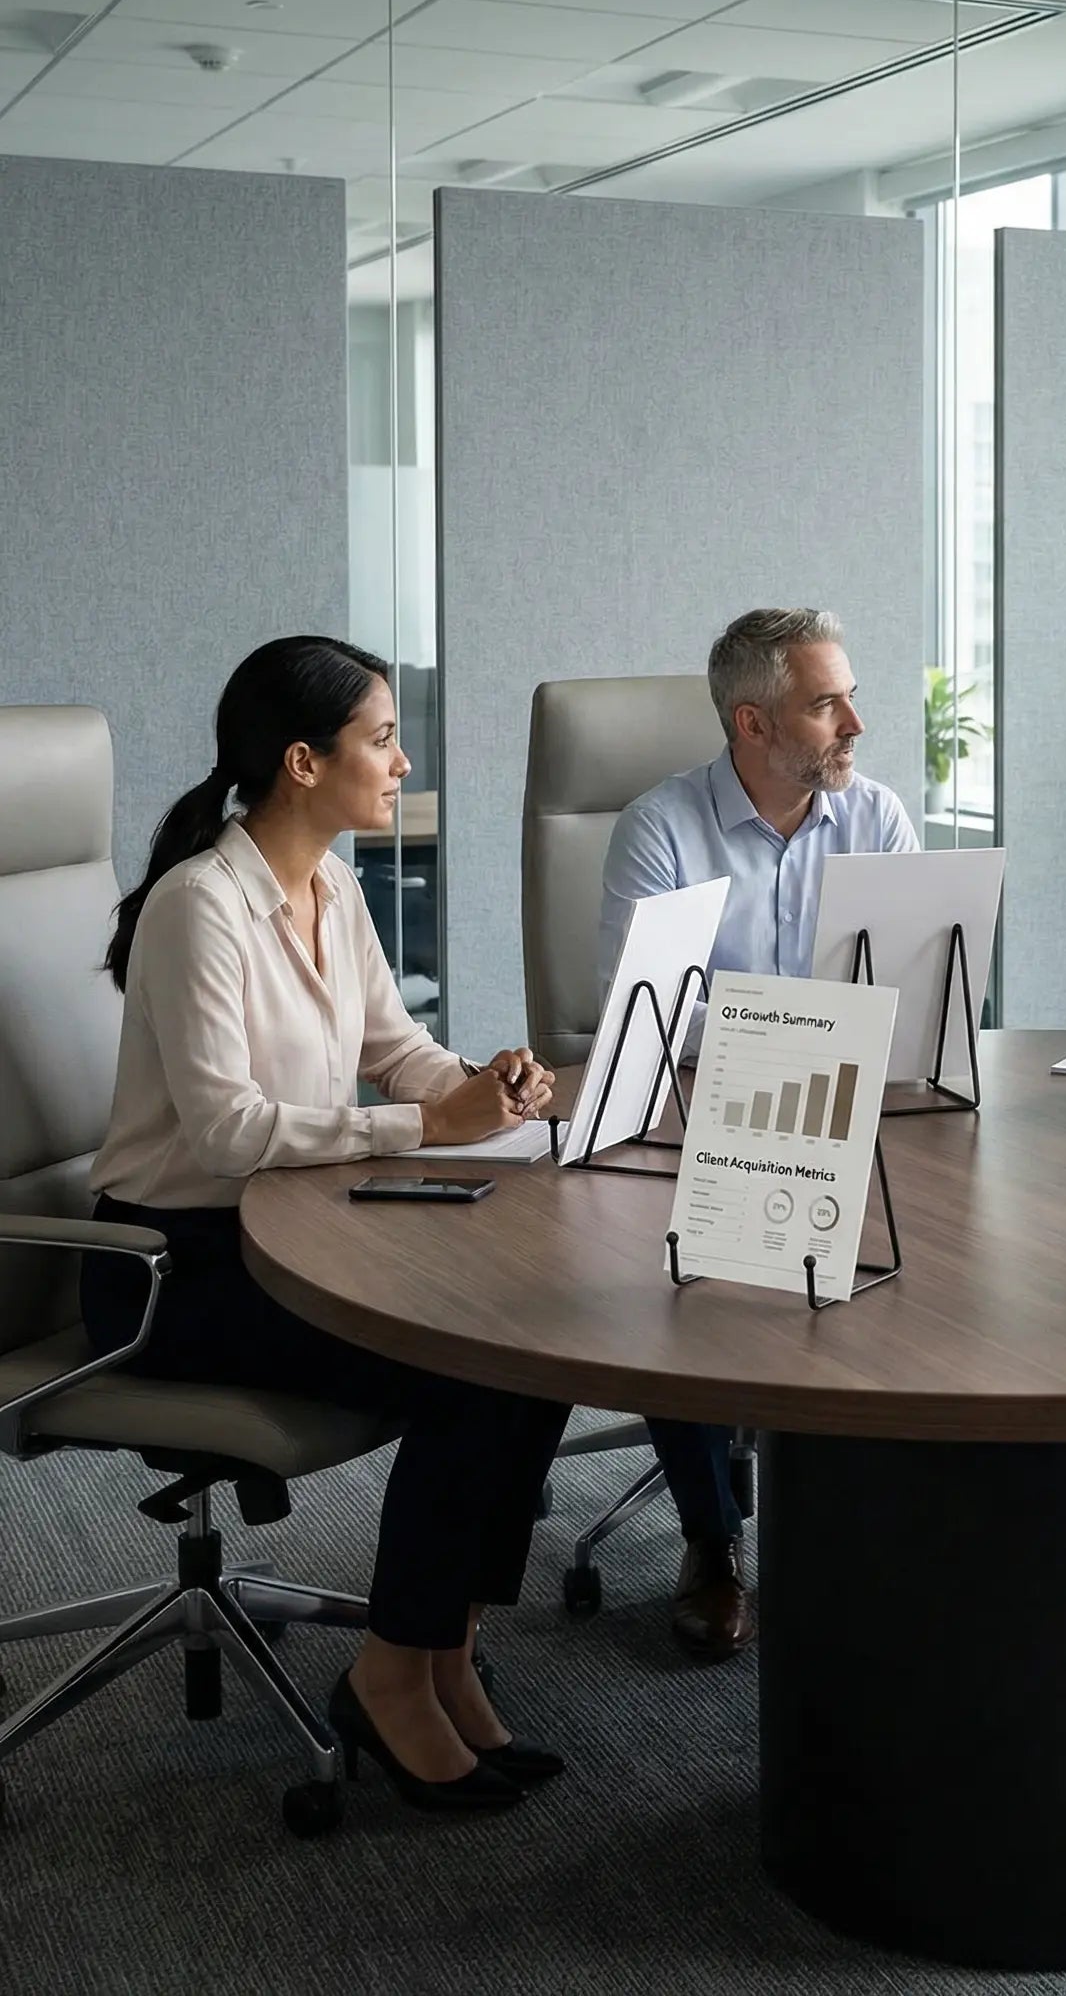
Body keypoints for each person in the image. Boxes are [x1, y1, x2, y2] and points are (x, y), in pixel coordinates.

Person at [84, 636, 573, 1817]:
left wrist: (475, 1081)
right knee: (470, 1367)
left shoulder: (332, 883)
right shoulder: (200, 906)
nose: (404, 760)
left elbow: (388, 1049)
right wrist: (418, 1128)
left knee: (531, 1339)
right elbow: (221, 1130)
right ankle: (390, 1675)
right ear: (302, 762)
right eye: (382, 738)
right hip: (172, 1268)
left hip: (293, 1230)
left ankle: (442, 1644)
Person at [597, 606, 918, 1657]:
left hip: (854, 1110)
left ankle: (875, 1531)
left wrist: (816, 1042)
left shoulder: (878, 822)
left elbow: (913, 1002)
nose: (855, 723)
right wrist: (795, 1039)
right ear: (751, 720)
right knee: (672, 1271)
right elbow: (648, 1007)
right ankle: (709, 1535)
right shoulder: (662, 828)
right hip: (702, 1115)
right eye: (827, 702)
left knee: (920, 1252)